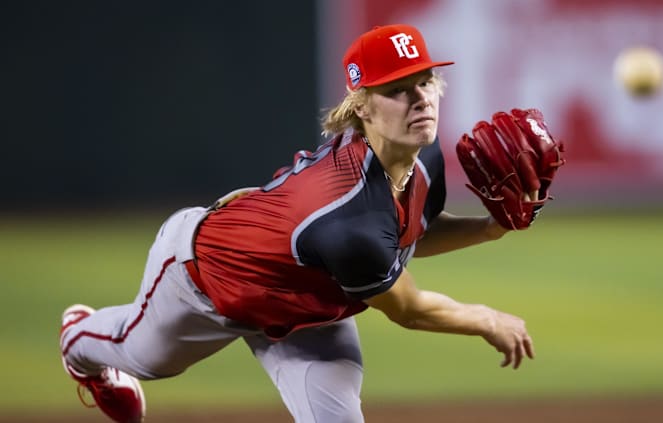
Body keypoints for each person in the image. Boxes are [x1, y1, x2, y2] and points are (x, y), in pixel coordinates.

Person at [59, 24, 536, 423]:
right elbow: (408, 308)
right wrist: (488, 319)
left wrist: (490, 228)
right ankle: (78, 339)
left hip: (309, 309)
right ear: (362, 106)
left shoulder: (424, 156)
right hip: (203, 279)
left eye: (425, 81)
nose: (420, 99)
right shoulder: (347, 219)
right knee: (144, 359)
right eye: (397, 90)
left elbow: (409, 235)